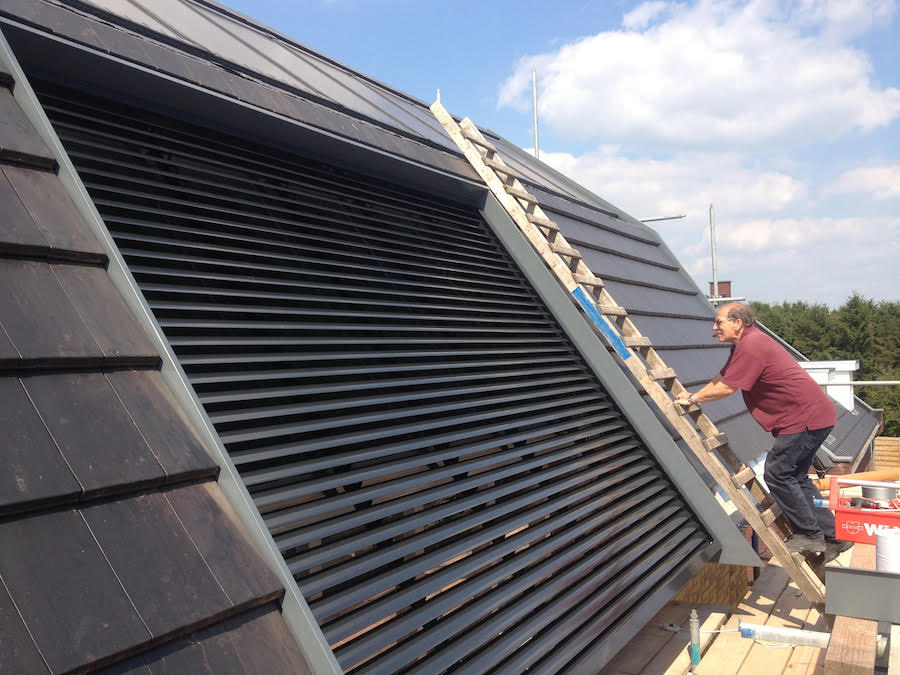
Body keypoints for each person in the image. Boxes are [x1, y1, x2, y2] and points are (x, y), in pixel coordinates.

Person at [674, 302, 851, 560]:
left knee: (778, 473)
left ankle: (810, 535)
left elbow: (727, 388)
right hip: (814, 415)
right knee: (796, 476)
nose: (714, 327)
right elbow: (723, 377)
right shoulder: (745, 344)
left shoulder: (752, 345)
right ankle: (833, 537)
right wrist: (694, 395)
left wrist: (693, 399)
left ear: (738, 323)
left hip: (804, 419)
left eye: (719, 322)